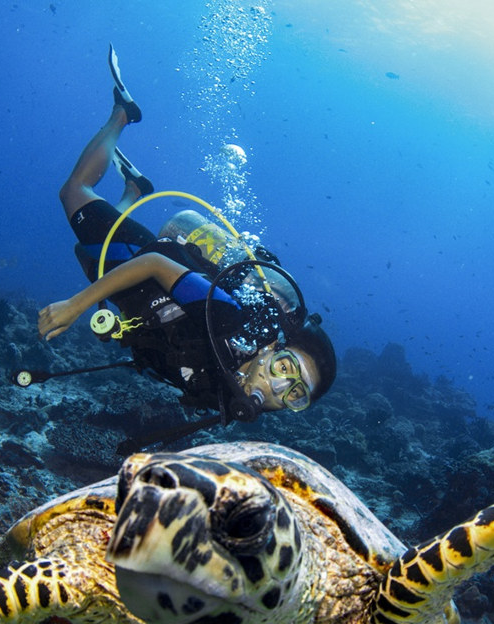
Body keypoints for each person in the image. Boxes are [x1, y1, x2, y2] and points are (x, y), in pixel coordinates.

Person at [39, 44, 335, 425]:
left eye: (296, 394)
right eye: (285, 368)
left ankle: (132, 191)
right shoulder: (230, 318)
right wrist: (76, 305)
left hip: (137, 301)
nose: (279, 390)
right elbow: (155, 263)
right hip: (142, 264)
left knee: (90, 250)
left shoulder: (231, 396)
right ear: (272, 349)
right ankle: (122, 114)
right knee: (74, 193)